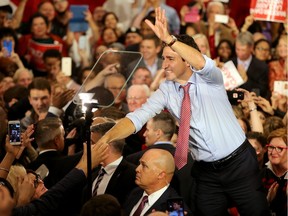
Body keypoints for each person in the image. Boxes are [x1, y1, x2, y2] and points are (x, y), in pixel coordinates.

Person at [96, 7, 270, 216]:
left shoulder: (211, 79)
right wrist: (107, 137)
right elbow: (136, 118)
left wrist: (169, 39)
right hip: (206, 173)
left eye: (170, 58)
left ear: (186, 60)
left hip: (239, 165)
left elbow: (201, 62)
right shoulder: (166, 90)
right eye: (164, 58)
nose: (164, 64)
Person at [82, 122, 136, 206]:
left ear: (106, 146)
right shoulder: (91, 171)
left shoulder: (132, 175)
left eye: (92, 142)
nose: (87, 146)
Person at [124, 149, 191, 215]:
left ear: (161, 175)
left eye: (144, 166)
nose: (137, 169)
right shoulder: (135, 192)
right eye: (139, 164)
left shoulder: (175, 207)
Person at [261, 128, 287, 216]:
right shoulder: (260, 175)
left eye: (280, 148)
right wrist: (266, 201)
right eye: (271, 147)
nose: (273, 152)